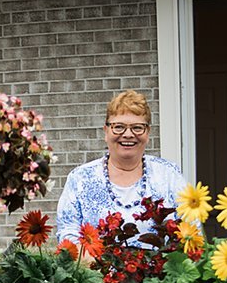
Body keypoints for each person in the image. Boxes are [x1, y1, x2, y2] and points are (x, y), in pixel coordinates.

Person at [57, 89, 188, 246]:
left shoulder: (169, 175)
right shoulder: (80, 179)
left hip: (162, 270)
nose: (128, 134)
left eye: (137, 127)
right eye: (118, 127)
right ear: (106, 131)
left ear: (148, 133)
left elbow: (192, 228)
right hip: (94, 269)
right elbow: (67, 233)